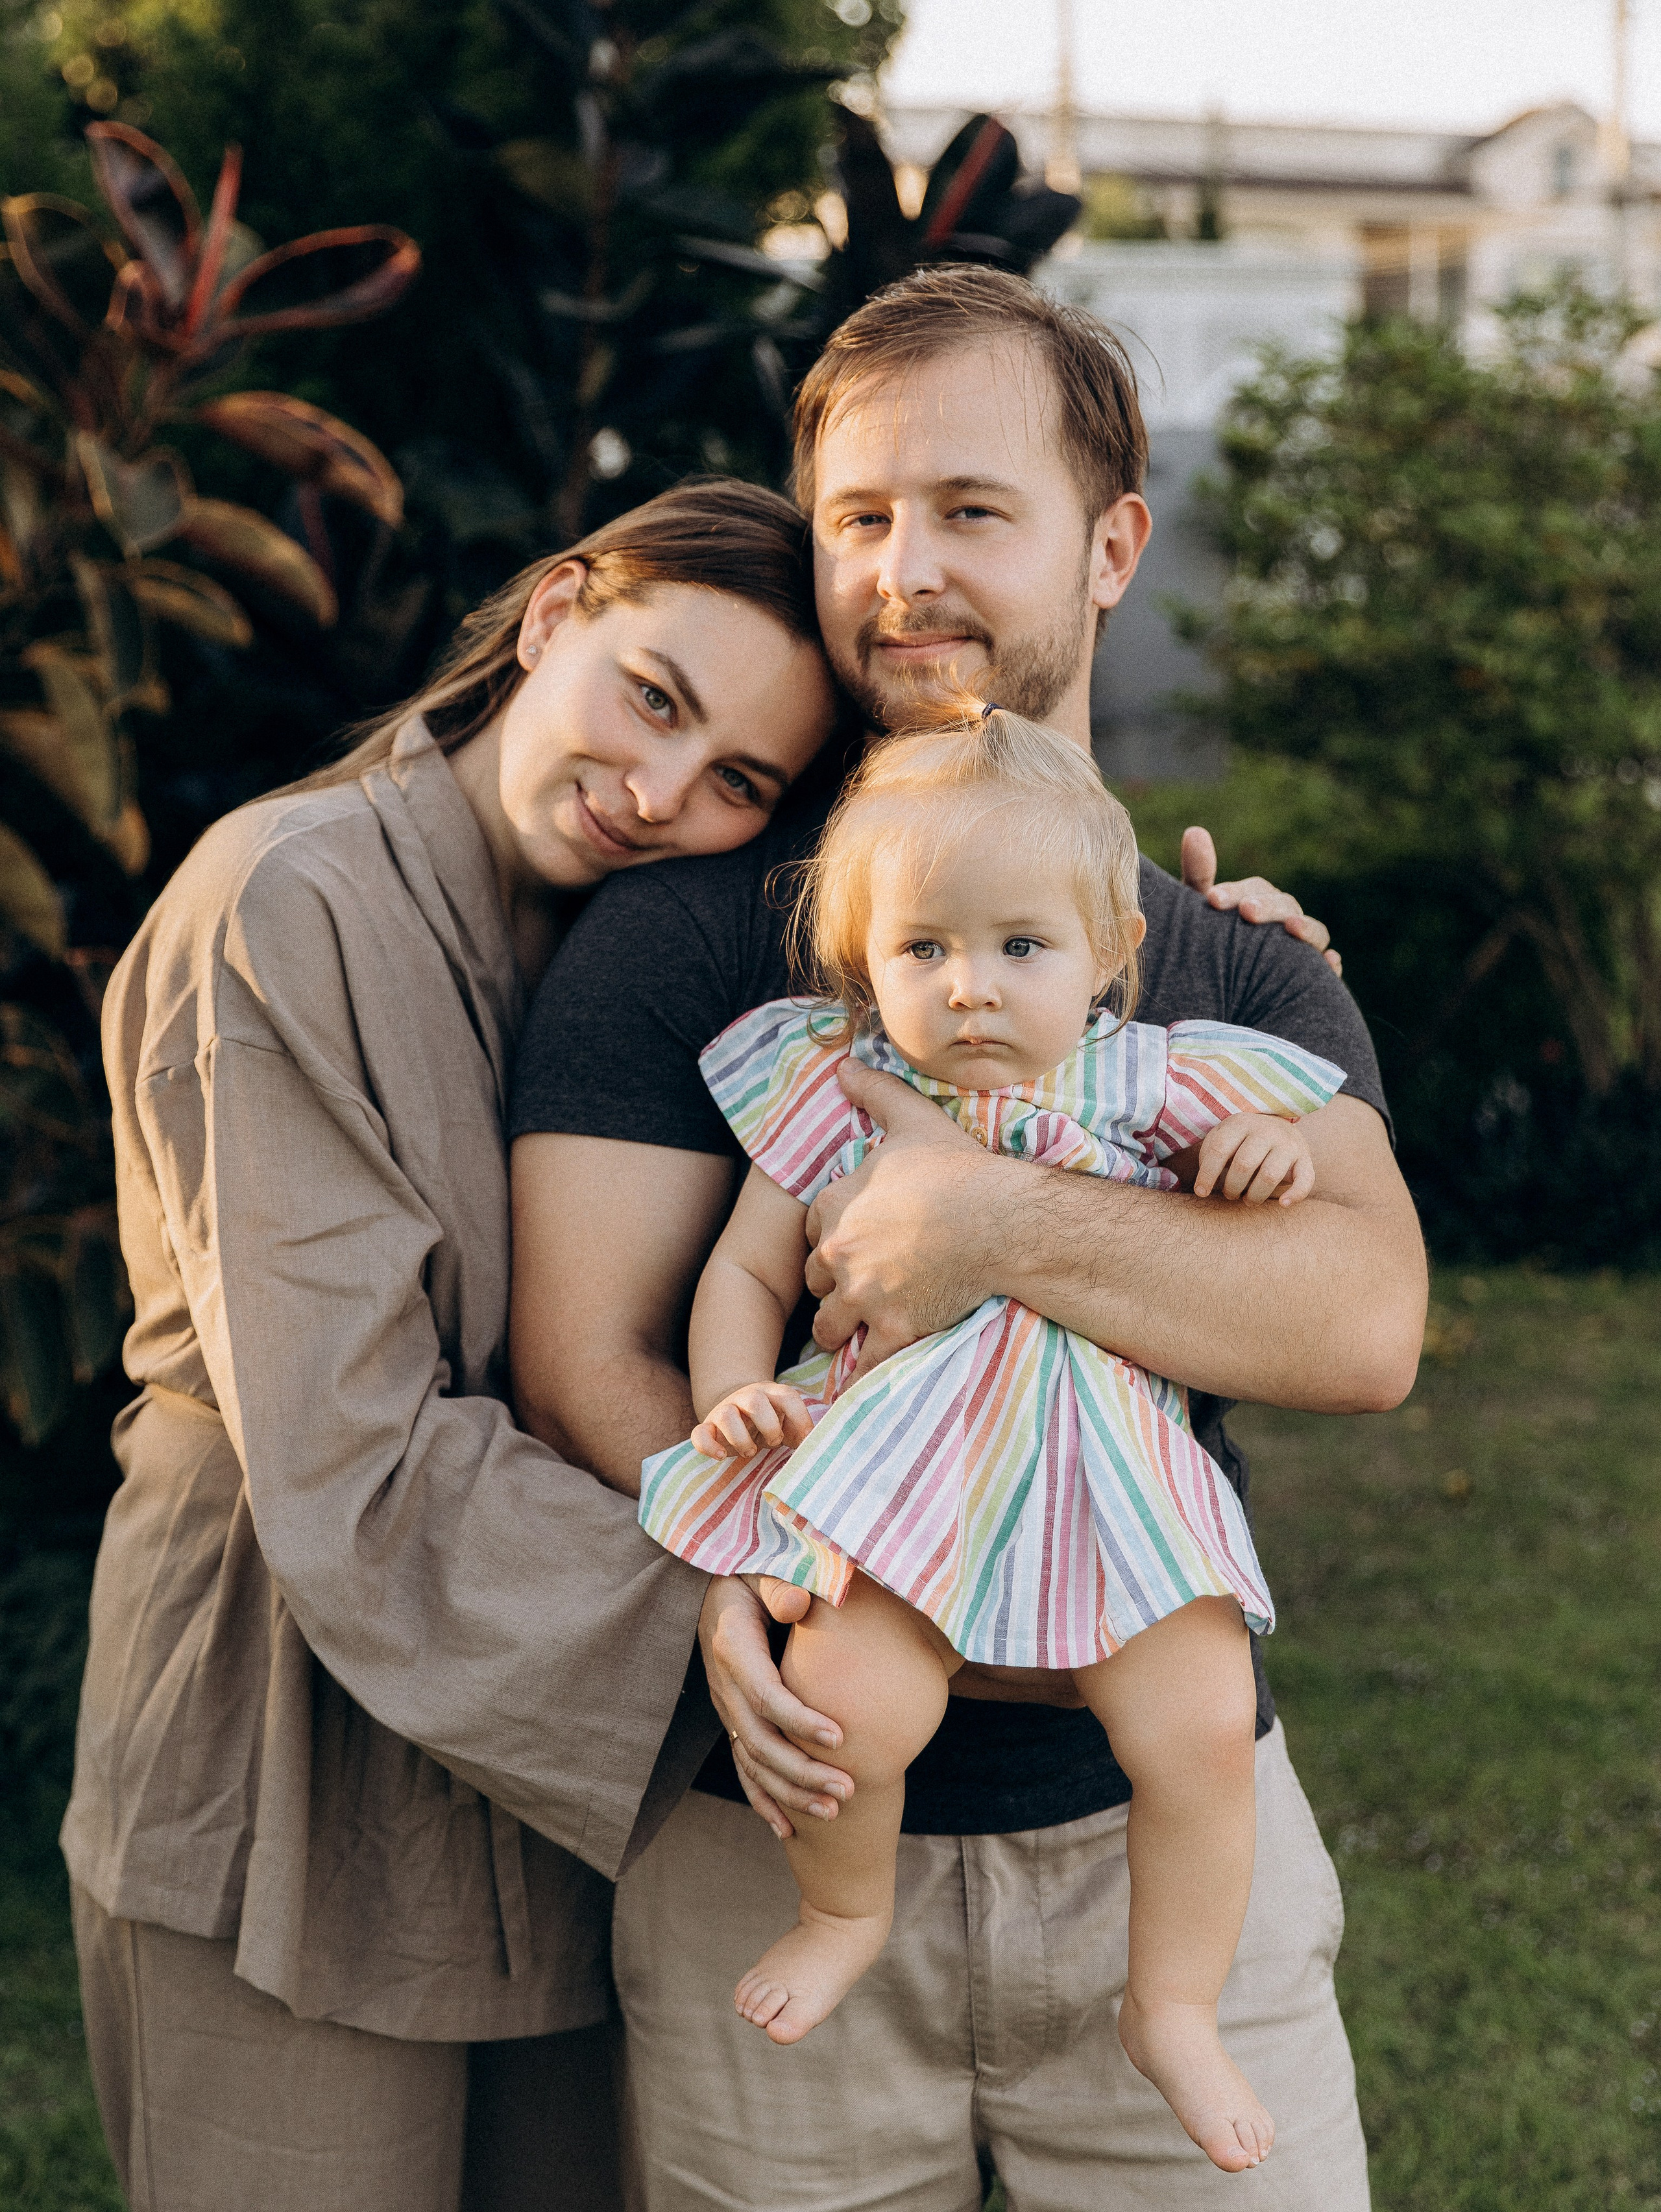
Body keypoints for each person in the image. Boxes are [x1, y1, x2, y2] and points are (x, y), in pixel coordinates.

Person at [511, 267, 1427, 2211]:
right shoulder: (692, 939)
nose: (902, 573)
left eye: (968, 512)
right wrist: (740, 1553)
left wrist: (992, 1216)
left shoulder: (1219, 963)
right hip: (778, 1812)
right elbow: (590, 1353)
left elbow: (1362, 1322)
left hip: (1159, 1828)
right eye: (860, 518)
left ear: (1112, 547)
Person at [60, 480, 838, 2212]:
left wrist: (1199, 943)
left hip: (559, 1768)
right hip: (280, 1740)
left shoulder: (647, 944)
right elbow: (354, 1449)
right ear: (557, 608)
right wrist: (747, 1608)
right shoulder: (288, 896)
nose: (660, 795)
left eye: (738, 784)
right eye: (656, 696)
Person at [635, 703, 1349, 2176]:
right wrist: (732, 1395)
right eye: (923, 950)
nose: (969, 989)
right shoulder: (833, 1087)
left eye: (1019, 947)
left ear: (1106, 954)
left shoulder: (1150, 1081)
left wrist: (1263, 1163)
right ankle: (843, 1911)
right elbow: (744, 1275)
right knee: (847, 1712)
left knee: (1200, 1727)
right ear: (865, 961)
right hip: (904, 1474)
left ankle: (1173, 2005)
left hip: (1104, 1476)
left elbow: (1279, 1208)